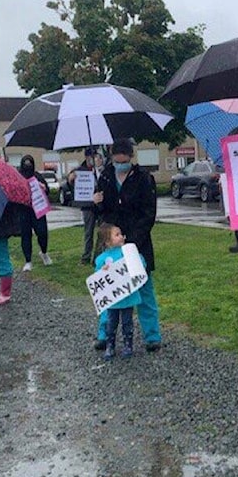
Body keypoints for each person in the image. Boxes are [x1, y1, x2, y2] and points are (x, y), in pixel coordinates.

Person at [92, 138, 162, 353]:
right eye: (117, 161)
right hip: (110, 243)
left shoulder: (144, 178)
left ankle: (152, 335)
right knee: (109, 291)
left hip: (136, 242)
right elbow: (102, 215)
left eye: (124, 161)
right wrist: (97, 204)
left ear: (131, 158)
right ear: (112, 158)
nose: (120, 164)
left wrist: (131, 241)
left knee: (144, 290)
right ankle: (104, 333)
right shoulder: (104, 177)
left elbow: (149, 213)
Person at [94, 224, 143, 361]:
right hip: (113, 300)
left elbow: (141, 264)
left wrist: (137, 263)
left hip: (128, 296)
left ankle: (128, 345)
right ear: (108, 242)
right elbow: (97, 277)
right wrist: (102, 271)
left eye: (121, 233)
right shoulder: (102, 259)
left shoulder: (129, 252)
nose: (121, 236)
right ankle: (110, 345)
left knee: (128, 322)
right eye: (117, 235)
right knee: (111, 323)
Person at [17, 155, 52, 270]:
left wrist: (44, 187)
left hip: (38, 209)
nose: (28, 166)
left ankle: (44, 252)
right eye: (25, 164)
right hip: (24, 211)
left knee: (42, 233)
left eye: (30, 164)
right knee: (26, 236)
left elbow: (47, 190)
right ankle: (28, 261)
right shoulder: (18, 177)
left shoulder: (37, 176)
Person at [70, 147, 101, 266]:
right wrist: (71, 178)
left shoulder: (99, 169)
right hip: (88, 206)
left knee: (102, 232)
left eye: (96, 156)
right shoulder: (80, 170)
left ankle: (98, 257)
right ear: (87, 157)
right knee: (88, 233)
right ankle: (86, 257)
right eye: (92, 156)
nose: (94, 159)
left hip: (100, 205)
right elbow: (71, 182)